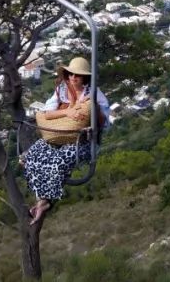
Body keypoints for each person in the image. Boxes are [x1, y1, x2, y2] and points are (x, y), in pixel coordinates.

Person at [22, 57, 105, 226]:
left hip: (82, 142)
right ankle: (42, 201)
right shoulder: (61, 90)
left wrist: (91, 117)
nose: (74, 78)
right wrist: (67, 112)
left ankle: (46, 202)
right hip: (59, 135)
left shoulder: (94, 95)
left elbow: (104, 121)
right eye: (71, 74)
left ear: (85, 78)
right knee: (31, 156)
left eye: (78, 76)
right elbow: (47, 113)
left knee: (58, 161)